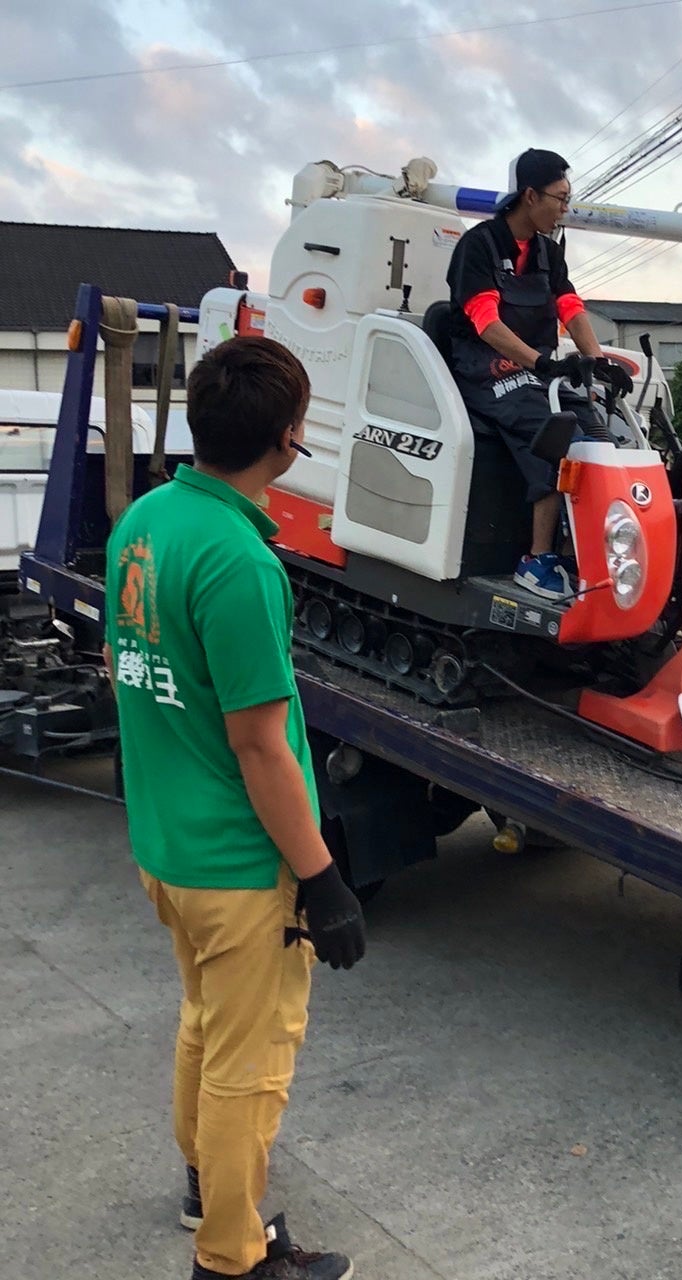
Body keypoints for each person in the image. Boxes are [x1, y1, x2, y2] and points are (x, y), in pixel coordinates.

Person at [104, 336, 366, 1280]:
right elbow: (260, 745)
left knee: (206, 1023)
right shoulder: (241, 564)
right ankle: (232, 1256)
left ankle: (202, 1184)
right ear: (288, 438)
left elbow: (130, 668)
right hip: (238, 865)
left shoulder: (145, 521)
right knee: (250, 1066)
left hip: (166, 844)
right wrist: (322, 879)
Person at [446, 147, 633, 599]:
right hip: (487, 372)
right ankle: (537, 558)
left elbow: (570, 307)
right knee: (559, 439)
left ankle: (585, 552)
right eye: (561, 198)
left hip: (537, 373)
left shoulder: (548, 252)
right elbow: (485, 322)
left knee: (602, 436)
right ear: (530, 196)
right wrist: (542, 363)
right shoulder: (479, 246)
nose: (565, 208)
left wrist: (598, 363)